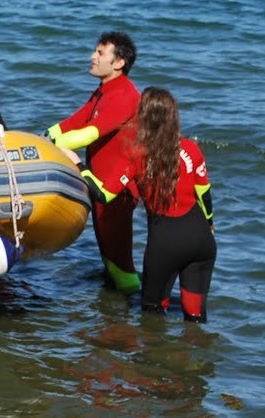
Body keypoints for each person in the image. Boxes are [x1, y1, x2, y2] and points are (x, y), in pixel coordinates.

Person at [84, 88, 216, 321]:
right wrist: (210, 224)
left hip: (165, 245)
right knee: (195, 318)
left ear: (143, 117)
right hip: (202, 240)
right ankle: (197, 355)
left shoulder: (135, 154)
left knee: (152, 317)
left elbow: (103, 195)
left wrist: (80, 167)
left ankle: (156, 356)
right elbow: (204, 194)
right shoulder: (191, 148)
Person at [47, 31, 143, 293]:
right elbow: (73, 122)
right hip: (96, 184)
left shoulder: (125, 95)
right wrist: (40, 138)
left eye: (100, 53)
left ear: (118, 63)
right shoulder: (102, 92)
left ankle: (136, 312)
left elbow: (90, 133)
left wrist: (48, 147)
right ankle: (113, 314)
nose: (93, 56)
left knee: (120, 261)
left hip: (115, 191)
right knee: (109, 258)